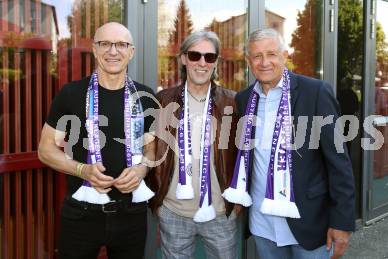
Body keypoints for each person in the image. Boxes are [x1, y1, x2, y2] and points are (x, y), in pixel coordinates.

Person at [223, 28, 355, 259]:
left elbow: (338, 162)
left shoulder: (315, 92)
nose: (264, 62)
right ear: (248, 61)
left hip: (309, 223)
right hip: (262, 223)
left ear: (285, 55)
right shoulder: (244, 100)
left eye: (272, 54)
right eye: (257, 56)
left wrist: (342, 222)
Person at [38, 22, 157, 259]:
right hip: (81, 214)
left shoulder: (146, 97)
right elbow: (46, 149)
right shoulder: (71, 94)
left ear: (131, 51)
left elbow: (151, 148)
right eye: (105, 44)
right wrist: (82, 170)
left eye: (121, 44)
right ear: (94, 49)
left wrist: (142, 169)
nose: (113, 51)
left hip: (131, 213)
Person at [149, 31, 239, 259]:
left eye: (209, 57)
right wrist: (157, 201)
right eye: (195, 55)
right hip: (174, 212)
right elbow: (150, 150)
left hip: (220, 213)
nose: (202, 63)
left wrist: (237, 203)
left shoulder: (232, 101)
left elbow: (245, 154)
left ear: (216, 62)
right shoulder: (163, 100)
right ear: (183, 58)